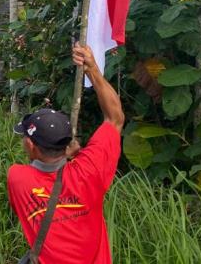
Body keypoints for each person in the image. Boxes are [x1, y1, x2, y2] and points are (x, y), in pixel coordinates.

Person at [7, 43, 124, 264]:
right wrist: (92, 68)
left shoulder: (17, 178)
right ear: (67, 144)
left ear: (32, 146)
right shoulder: (90, 169)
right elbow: (115, 118)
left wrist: (71, 157)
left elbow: (39, 172)